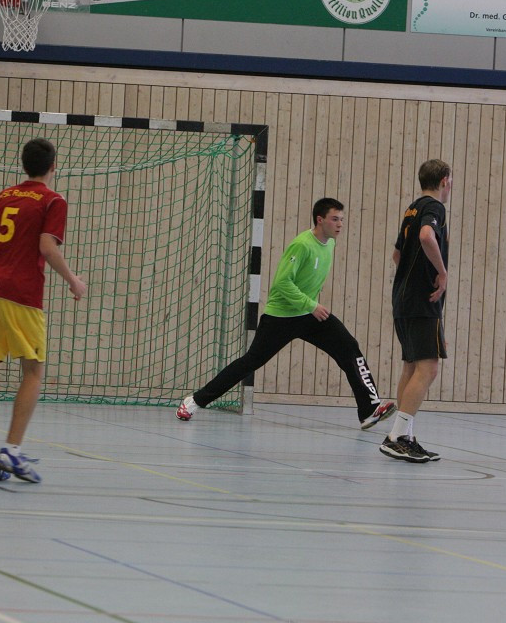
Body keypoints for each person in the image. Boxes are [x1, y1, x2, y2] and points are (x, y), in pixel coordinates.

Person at [177, 198, 396, 431]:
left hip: (310, 315)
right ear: (320, 220)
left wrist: (310, 307)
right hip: (281, 317)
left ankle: (369, 409)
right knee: (251, 361)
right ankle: (195, 401)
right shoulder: (302, 244)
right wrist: (310, 304)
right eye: (334, 219)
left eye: (341, 219)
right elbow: (282, 282)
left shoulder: (330, 243)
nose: (340, 224)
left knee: (349, 347)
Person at [0, 138, 87, 483]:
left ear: (23, 164)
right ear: (54, 166)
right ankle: (12, 450)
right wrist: (73, 281)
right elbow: (47, 246)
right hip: (22, 292)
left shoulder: (5, 196)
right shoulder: (53, 200)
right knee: (33, 372)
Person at [381, 159, 452, 463]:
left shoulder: (411, 208)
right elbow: (426, 236)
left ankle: (405, 436)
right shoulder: (434, 208)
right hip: (422, 302)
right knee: (429, 368)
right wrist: (441, 271)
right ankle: (395, 436)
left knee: (411, 367)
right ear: (445, 181)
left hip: (403, 299)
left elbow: (398, 254)